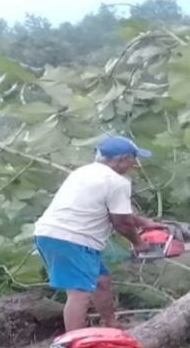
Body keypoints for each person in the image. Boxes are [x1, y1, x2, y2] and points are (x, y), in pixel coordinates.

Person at [33, 135, 163, 331]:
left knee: (101, 280)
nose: (133, 164)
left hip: (51, 233)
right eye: (132, 159)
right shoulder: (116, 182)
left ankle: (110, 323)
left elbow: (119, 213)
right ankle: (75, 345)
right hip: (73, 239)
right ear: (122, 159)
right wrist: (139, 243)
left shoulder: (83, 172)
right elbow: (121, 223)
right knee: (79, 294)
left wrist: (146, 223)